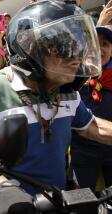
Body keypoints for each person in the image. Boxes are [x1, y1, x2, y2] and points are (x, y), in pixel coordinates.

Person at [0, 1, 112, 213]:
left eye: (77, 48)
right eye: (63, 49)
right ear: (32, 50)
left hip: (56, 201)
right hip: (9, 207)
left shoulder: (65, 89)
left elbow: (91, 126)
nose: (76, 58)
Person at [70, 26, 112, 192]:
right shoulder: (72, 76)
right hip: (82, 152)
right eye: (93, 42)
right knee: (83, 202)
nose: (99, 48)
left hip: (111, 149)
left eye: (105, 43)